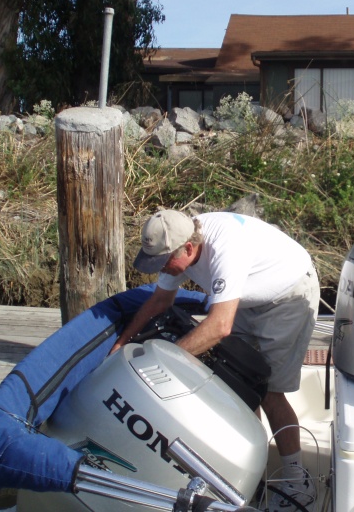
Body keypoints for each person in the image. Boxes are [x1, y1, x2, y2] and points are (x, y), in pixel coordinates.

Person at [111, 209, 320, 512]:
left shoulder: (225, 249)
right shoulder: (180, 241)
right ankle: (254, 476)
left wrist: (164, 361)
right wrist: (122, 344)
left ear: (188, 248)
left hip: (288, 293)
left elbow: (220, 326)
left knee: (270, 392)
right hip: (247, 295)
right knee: (238, 389)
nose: (164, 269)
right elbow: (159, 301)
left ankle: (297, 483)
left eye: (165, 261)